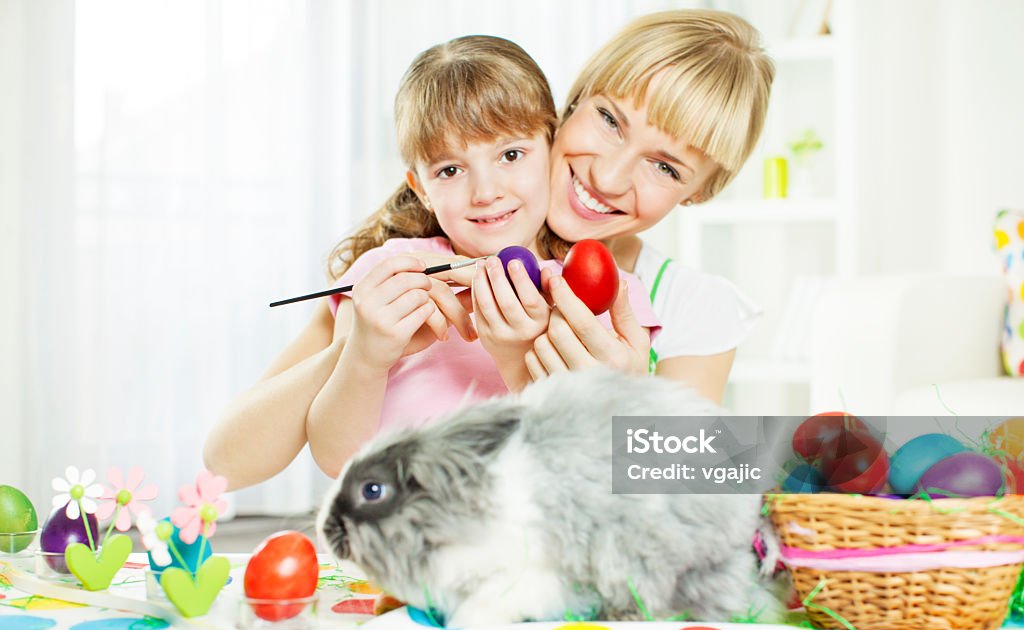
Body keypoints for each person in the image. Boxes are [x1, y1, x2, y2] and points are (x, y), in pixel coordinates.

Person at [204, 35, 659, 487]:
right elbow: (338, 461)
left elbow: (627, 481)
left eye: (511, 154)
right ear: (420, 187)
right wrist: (363, 356)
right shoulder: (392, 275)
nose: (486, 191)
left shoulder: (602, 292)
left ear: (551, 148)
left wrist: (522, 364)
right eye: (450, 170)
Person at [516, 9, 775, 405]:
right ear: (577, 98)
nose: (608, 178)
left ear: (700, 192)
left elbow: (687, 468)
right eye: (609, 120)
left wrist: (628, 403)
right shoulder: (455, 233)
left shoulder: (694, 308)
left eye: (665, 168)